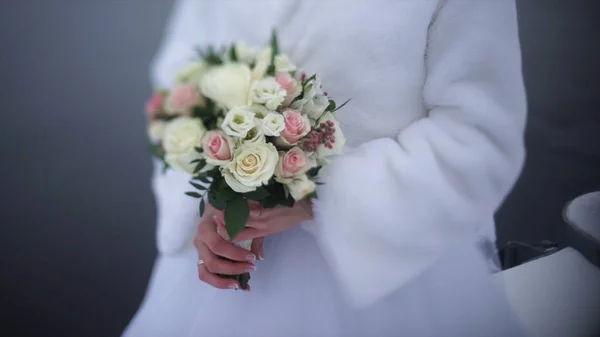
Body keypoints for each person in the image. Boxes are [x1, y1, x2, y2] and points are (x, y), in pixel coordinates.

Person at [123, 0, 529, 336]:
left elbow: (479, 134)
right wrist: (208, 203)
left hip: (388, 277)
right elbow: (180, 87)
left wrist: (322, 196)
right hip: (216, 288)